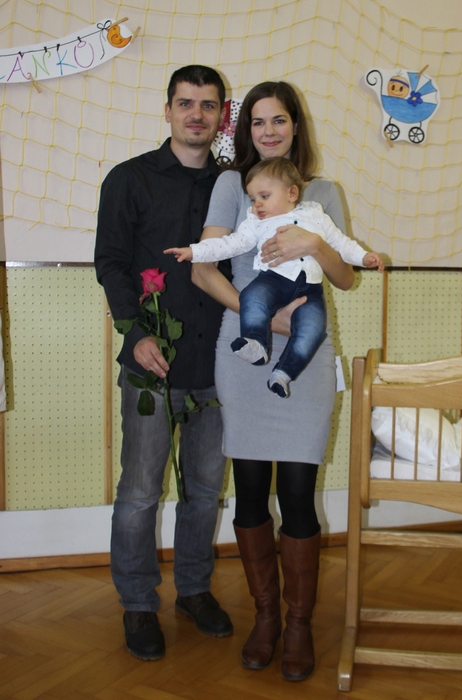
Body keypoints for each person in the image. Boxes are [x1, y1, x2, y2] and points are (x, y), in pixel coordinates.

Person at [191, 81, 356, 682]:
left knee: (298, 495)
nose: (268, 131)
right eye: (258, 122)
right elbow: (206, 271)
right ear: (246, 130)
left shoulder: (322, 192)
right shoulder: (230, 185)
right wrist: (261, 317)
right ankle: (266, 618)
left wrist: (314, 242)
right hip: (245, 351)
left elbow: (345, 278)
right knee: (252, 491)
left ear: (294, 126)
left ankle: (299, 623)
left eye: (278, 120)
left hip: (307, 358)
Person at [94, 65, 233, 662]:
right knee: (139, 492)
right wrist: (134, 333)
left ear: (222, 114)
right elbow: (110, 263)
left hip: (218, 367)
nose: (196, 114)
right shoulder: (129, 180)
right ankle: (137, 603)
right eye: (186, 103)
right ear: (168, 109)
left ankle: (194, 591)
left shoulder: (235, 185)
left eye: (208, 105)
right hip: (149, 364)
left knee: (205, 491)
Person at [165, 157, 383, 398]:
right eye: (253, 199)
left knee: (313, 331)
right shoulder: (255, 222)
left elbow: (342, 244)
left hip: (310, 291)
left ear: (292, 193)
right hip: (274, 280)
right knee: (252, 296)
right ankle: (255, 342)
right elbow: (228, 245)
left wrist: (364, 258)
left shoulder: (316, 215)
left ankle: (284, 373)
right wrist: (194, 251)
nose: (257, 204)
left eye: (264, 196)